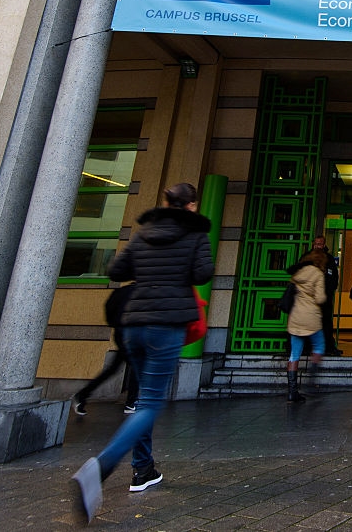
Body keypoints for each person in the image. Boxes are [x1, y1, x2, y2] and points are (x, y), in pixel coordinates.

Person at [72, 182, 214, 523]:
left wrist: (150, 267)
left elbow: (117, 271)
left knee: (142, 401)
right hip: (166, 324)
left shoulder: (144, 232)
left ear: (166, 202)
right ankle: (100, 467)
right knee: (149, 403)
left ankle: (143, 468)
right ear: (192, 206)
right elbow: (202, 273)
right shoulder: (195, 235)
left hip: (133, 323)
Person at [73, 284, 140, 415]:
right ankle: (131, 403)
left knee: (114, 369)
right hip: (131, 334)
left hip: (120, 332)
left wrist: (114, 323)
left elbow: (109, 307)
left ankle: (81, 396)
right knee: (136, 367)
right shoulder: (144, 293)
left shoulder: (122, 291)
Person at [284, 249, 327, 402]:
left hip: (295, 317)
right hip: (311, 317)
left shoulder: (298, 273)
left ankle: (292, 391)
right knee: (319, 346)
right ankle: (311, 379)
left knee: (294, 354)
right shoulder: (318, 274)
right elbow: (320, 298)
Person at [313, 235, 343, 356]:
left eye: (320, 244)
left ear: (324, 244)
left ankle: (327, 347)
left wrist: (330, 291)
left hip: (324, 297)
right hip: (311, 298)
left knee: (325, 322)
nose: (317, 246)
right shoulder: (308, 258)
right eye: (316, 244)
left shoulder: (329, 259)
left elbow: (334, 277)